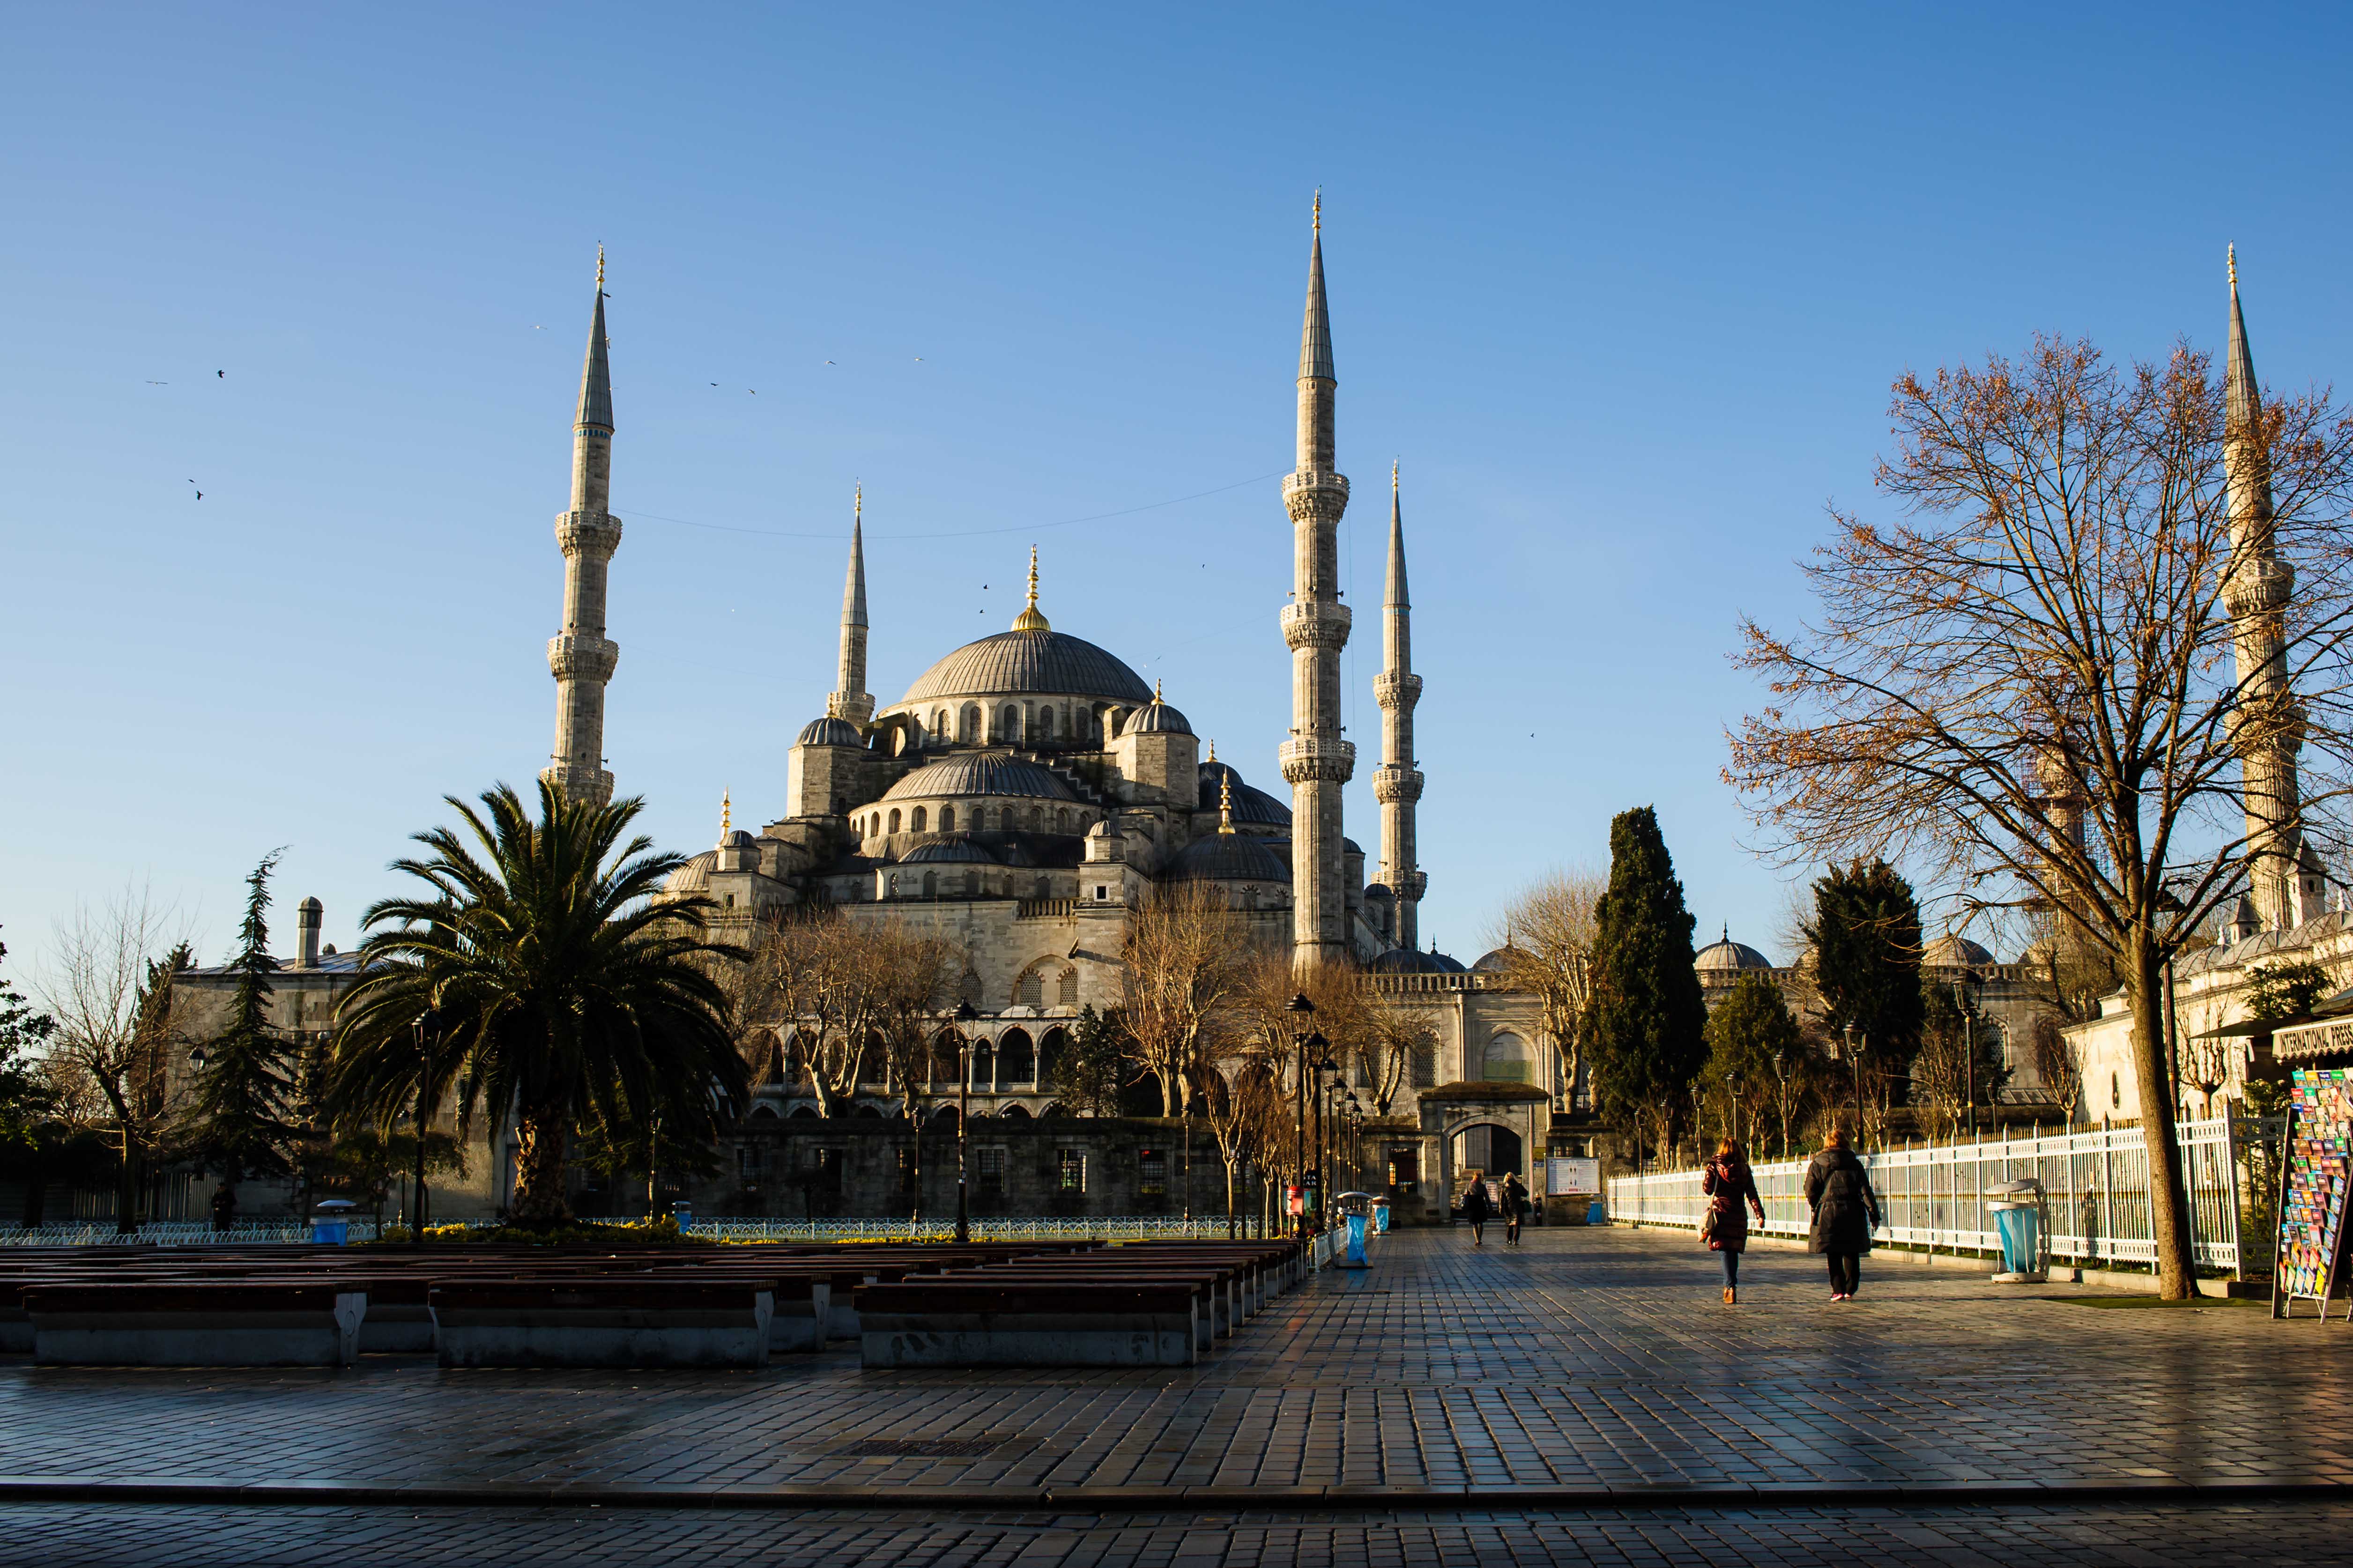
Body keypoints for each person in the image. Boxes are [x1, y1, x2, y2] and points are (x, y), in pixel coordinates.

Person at [1805, 1125, 1882, 1301]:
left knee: (1833, 1251)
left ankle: (1837, 1289)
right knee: (1851, 1249)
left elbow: (1810, 1189)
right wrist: (1874, 1215)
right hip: (1853, 1209)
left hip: (1828, 1211)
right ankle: (1851, 1287)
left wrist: (1818, 1205)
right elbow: (1865, 1191)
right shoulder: (1854, 1164)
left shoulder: (1818, 1164)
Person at [1701, 1138, 1767, 1303]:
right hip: (1738, 1214)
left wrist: (1711, 1170)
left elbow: (1707, 1189)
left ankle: (1729, 1286)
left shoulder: (1715, 1167)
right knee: (1733, 1250)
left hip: (1721, 1214)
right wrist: (1760, 1215)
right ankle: (1731, 1284)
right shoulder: (1744, 1169)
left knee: (1725, 1250)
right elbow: (1752, 1194)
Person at [1461, 1172, 1492, 1246]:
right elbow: (1487, 1198)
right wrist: (1490, 1207)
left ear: (1474, 1177)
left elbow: (1465, 1197)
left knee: (1474, 1224)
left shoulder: (1469, 1186)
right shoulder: (1482, 1186)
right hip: (1481, 1205)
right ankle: (1480, 1239)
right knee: (1480, 1223)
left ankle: (1477, 1240)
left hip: (1472, 1206)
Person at [1501, 1172, 1530, 1246]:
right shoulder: (1518, 1186)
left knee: (1509, 1224)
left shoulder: (1504, 1187)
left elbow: (1502, 1200)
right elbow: (1526, 1193)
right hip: (1517, 1207)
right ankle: (1516, 1240)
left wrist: (1501, 1209)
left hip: (1508, 1207)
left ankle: (1509, 1240)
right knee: (1517, 1225)